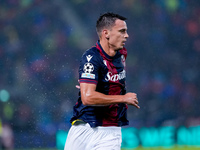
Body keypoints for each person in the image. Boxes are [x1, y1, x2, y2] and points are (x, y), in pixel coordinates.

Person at [64, 12, 140, 150]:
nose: (127, 36)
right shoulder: (91, 58)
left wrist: (97, 86)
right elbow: (87, 98)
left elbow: (116, 83)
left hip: (110, 131)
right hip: (83, 127)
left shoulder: (122, 54)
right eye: (122, 31)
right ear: (106, 33)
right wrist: (123, 98)